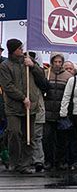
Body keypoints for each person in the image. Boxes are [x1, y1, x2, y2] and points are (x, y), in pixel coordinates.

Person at [0, 39, 46, 174]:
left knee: (29, 136)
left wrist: (33, 66)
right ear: (13, 50)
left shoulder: (29, 61)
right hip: (14, 107)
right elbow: (7, 86)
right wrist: (22, 97)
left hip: (30, 106)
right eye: (19, 48)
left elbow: (41, 77)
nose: (22, 50)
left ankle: (25, 164)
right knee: (14, 133)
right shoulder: (5, 66)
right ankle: (14, 161)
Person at [43, 52, 73, 170]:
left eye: (60, 62)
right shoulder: (46, 74)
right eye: (55, 62)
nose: (57, 64)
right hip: (48, 111)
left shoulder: (68, 77)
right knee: (47, 139)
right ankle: (48, 160)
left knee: (62, 139)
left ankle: (60, 161)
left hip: (61, 112)